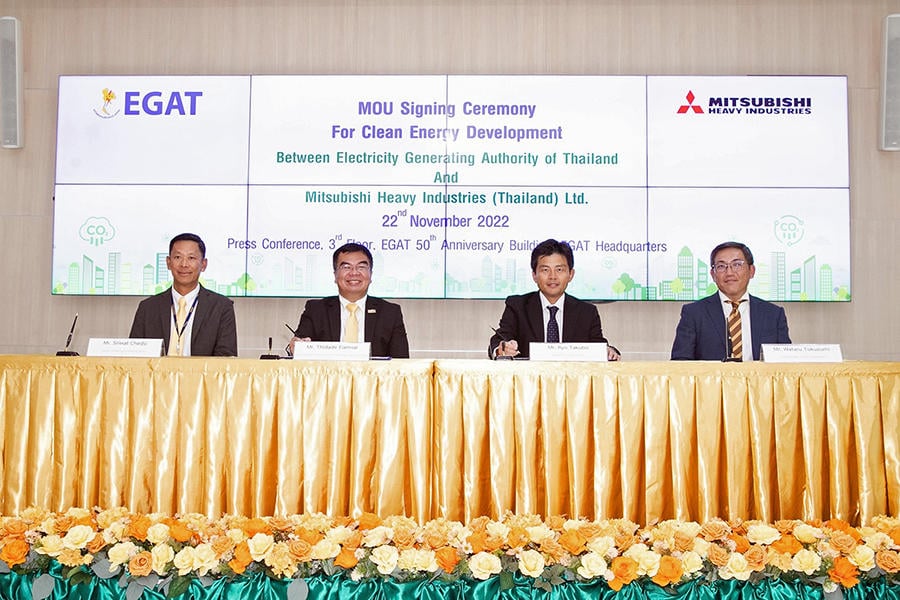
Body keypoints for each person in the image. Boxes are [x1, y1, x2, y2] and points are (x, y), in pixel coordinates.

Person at [489, 239, 620, 360]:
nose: (553, 277)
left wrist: (609, 351)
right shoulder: (517, 306)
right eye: (545, 270)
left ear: (571, 274)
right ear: (534, 275)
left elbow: (599, 346)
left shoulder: (587, 312)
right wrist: (501, 349)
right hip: (529, 382)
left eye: (559, 269)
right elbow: (498, 340)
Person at [671, 241, 790, 361]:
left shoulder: (773, 314)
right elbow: (680, 363)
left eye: (737, 264)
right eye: (721, 266)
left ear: (751, 271)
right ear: (713, 274)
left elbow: (787, 364)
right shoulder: (694, 313)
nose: (729, 272)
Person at [289, 242, 410, 358]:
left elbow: (401, 362)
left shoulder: (390, 313)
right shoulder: (316, 310)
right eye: (346, 267)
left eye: (361, 267)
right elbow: (301, 346)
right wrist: (297, 345)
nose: (354, 273)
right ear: (335, 275)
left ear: (371, 274)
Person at [129, 232, 237, 356]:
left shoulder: (221, 307)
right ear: (168, 262)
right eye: (177, 257)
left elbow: (226, 359)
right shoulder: (148, 308)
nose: (184, 264)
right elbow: (134, 357)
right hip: (157, 375)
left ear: (203, 264)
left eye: (191, 258)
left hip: (202, 375)